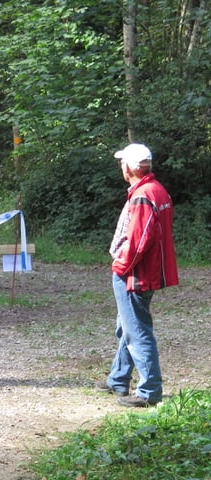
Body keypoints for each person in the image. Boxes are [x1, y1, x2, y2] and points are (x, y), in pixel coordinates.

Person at [96, 143, 178, 407]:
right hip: (146, 271)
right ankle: (118, 380)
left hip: (135, 274)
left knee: (137, 331)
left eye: (123, 163)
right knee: (127, 327)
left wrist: (121, 266)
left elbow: (140, 239)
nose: (121, 167)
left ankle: (149, 391)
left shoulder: (144, 194)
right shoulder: (156, 190)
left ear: (131, 167)